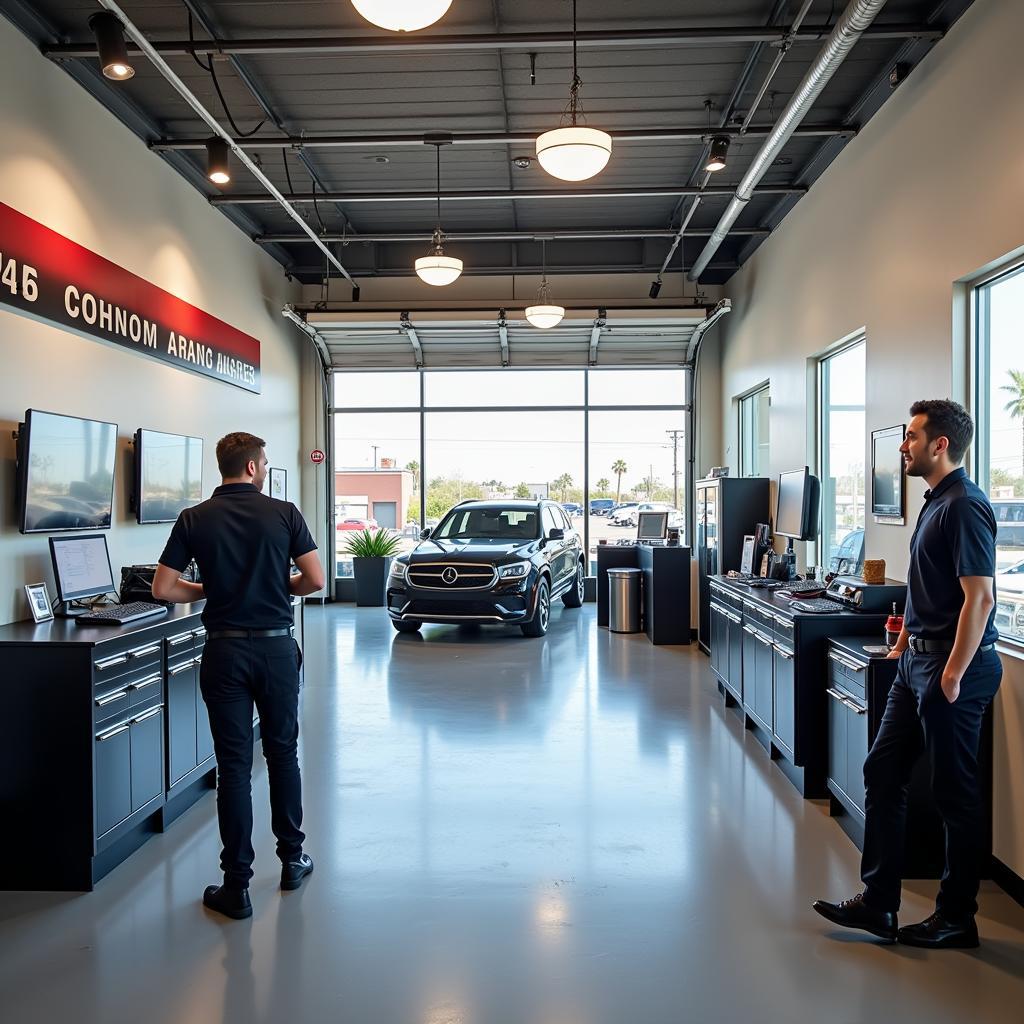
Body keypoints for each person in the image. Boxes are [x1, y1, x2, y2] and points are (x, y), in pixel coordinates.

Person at [813, 399, 1001, 948]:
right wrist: (901, 644)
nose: (904, 444)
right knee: (883, 770)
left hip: (951, 668)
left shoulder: (965, 505)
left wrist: (950, 676)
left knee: (953, 795)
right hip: (914, 661)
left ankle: (957, 918)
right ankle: (879, 904)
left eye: (913, 436)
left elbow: (980, 598)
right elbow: (930, 588)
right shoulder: (935, 501)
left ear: (940, 444)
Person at [153, 431, 325, 920]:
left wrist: (215, 590)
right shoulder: (284, 513)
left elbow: (165, 587)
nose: (266, 467)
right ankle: (292, 861)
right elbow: (314, 580)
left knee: (233, 769)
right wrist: (275, 584)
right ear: (252, 467)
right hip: (275, 650)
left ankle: (237, 886)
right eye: (264, 461)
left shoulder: (194, 518)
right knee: (282, 753)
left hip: (224, 653)